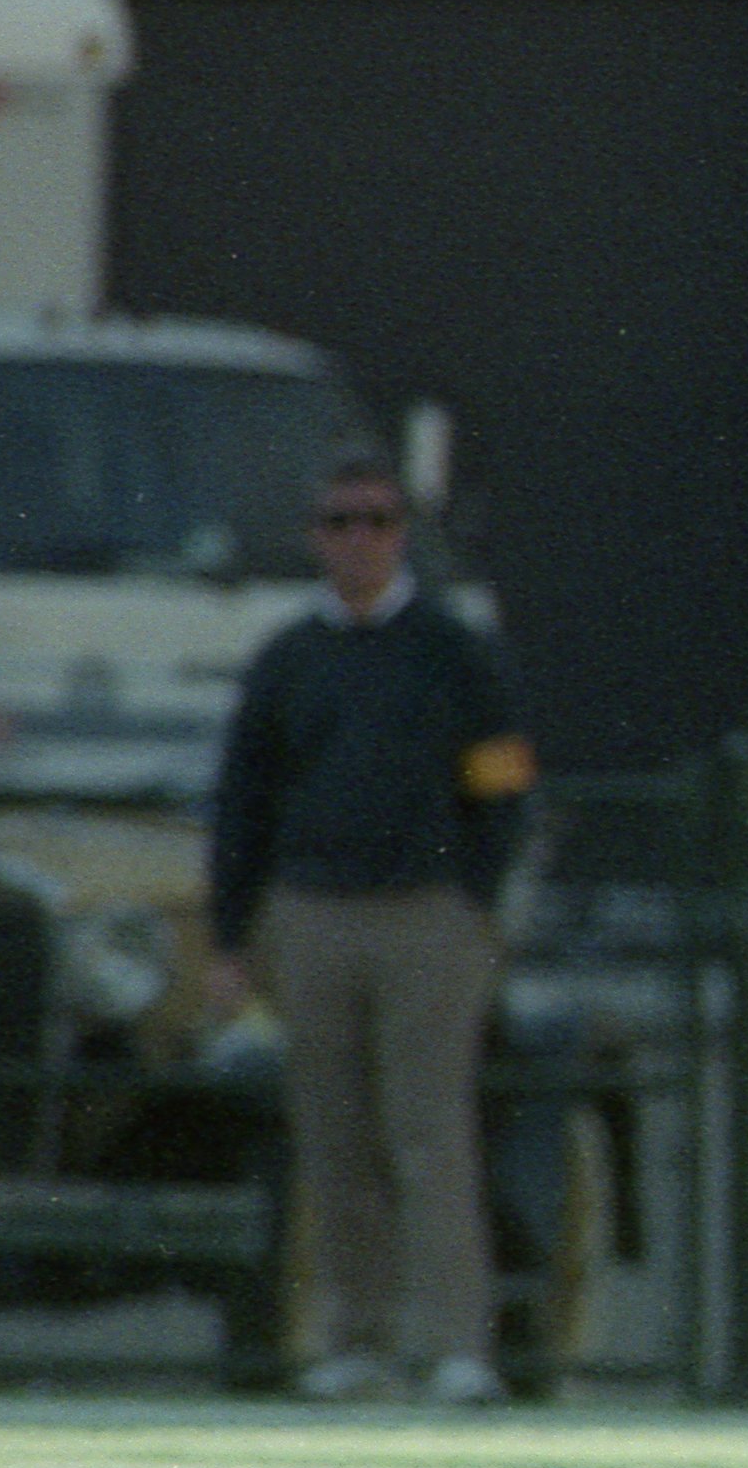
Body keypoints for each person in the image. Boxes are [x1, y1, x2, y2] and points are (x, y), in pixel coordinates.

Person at [205, 450, 536, 1404]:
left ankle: (456, 1346)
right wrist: (233, 938)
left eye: (379, 522)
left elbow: (504, 776)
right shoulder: (288, 657)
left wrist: (476, 899)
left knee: (428, 1131)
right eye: (341, 522)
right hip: (311, 915)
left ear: (402, 535)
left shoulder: (450, 646)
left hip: (426, 919)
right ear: (316, 537)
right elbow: (244, 800)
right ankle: (353, 1337)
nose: (360, 540)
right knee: (333, 1134)